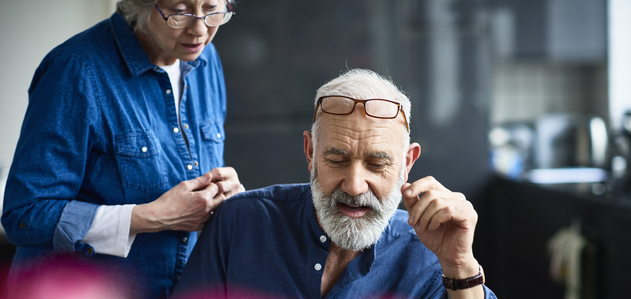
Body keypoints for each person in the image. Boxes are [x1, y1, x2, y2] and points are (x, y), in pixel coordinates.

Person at [1, 0, 245, 298]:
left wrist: (226, 196)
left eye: (213, 8)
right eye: (179, 11)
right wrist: (149, 217)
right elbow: (25, 215)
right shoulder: (75, 70)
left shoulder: (206, 59)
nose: (199, 30)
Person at [171, 69, 497, 299]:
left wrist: (459, 265)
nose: (355, 186)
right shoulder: (240, 224)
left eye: (377, 163)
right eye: (337, 160)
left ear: (406, 163)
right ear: (311, 153)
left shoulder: (428, 256)